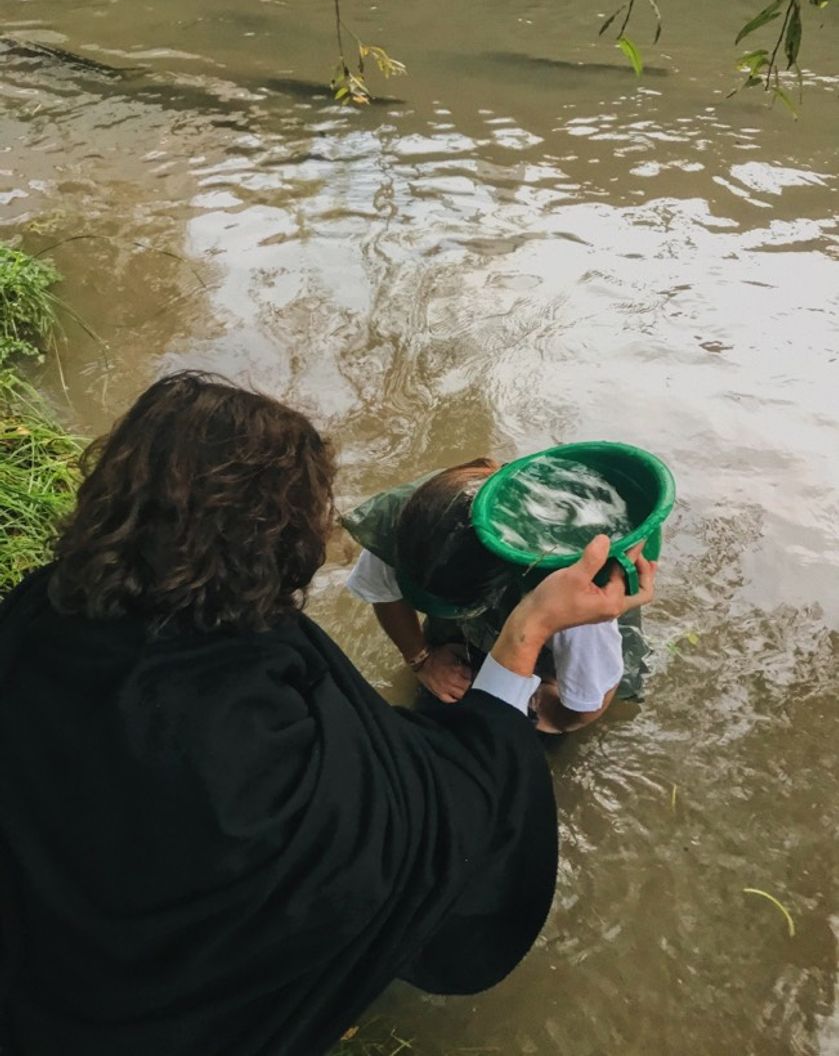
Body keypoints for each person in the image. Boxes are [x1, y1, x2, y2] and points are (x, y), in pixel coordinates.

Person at [0, 371, 655, 1056]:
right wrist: (525, 636)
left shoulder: (44, 607)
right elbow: (431, 825)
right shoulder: (245, 756)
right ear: (271, 538)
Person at [344, 458, 649, 732]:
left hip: (553, 671)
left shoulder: (573, 592)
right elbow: (380, 591)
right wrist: (422, 659)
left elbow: (585, 707)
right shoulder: (409, 517)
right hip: (466, 628)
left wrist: (526, 707)